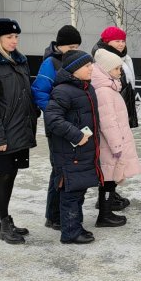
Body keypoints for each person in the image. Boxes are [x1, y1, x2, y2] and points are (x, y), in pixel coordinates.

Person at [0, 18, 38, 245]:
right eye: (9, 37)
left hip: (21, 130)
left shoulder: (20, 61)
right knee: (3, 176)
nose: (14, 41)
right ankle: (4, 222)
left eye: (16, 37)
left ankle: (1, 220)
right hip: (4, 133)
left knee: (11, 174)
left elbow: (25, 95)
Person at [44, 50, 102, 244]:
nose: (91, 68)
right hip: (70, 151)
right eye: (87, 66)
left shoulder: (86, 88)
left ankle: (74, 225)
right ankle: (70, 232)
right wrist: (77, 135)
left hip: (84, 150)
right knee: (71, 192)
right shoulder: (62, 90)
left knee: (79, 190)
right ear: (74, 69)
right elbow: (52, 119)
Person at [31, 24, 82, 231]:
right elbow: (39, 92)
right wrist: (54, 112)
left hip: (73, 125)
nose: (74, 49)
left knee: (67, 169)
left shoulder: (75, 60)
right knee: (59, 170)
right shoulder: (50, 64)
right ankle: (53, 215)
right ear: (59, 46)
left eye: (77, 45)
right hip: (58, 125)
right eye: (70, 46)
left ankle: (59, 213)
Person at [92, 49, 141, 225]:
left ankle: (107, 212)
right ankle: (104, 215)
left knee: (110, 179)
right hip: (111, 146)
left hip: (112, 144)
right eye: (116, 69)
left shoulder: (109, 87)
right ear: (106, 70)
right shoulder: (104, 91)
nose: (119, 72)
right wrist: (116, 146)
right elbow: (108, 123)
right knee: (108, 180)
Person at [92, 26, 137, 129]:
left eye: (123, 41)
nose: (121, 44)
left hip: (123, 109)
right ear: (107, 42)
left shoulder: (126, 59)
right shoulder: (103, 59)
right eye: (117, 41)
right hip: (111, 112)